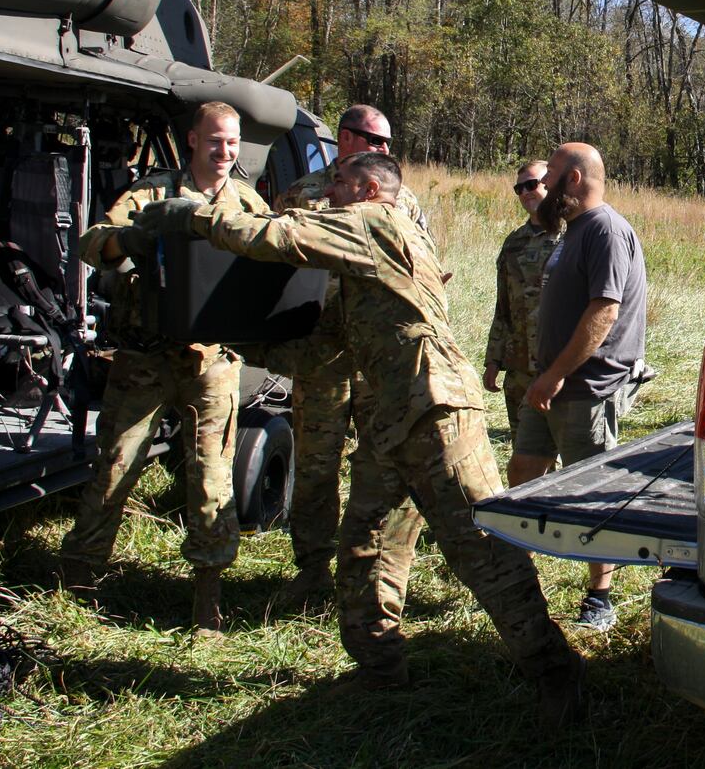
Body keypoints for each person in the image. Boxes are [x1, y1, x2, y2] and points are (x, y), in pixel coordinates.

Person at [128, 152, 583, 723]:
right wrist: (231, 340)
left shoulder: (378, 223)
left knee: (481, 548)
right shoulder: (362, 262)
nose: (327, 192)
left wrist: (192, 218)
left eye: (338, 183)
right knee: (366, 547)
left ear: (368, 190)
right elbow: (326, 349)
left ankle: (554, 672)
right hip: (392, 419)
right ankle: (379, 668)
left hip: (436, 410)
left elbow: (277, 235)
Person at [58, 101, 268, 637]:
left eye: (233, 143)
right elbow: (88, 244)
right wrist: (127, 240)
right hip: (145, 354)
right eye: (216, 141)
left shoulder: (247, 202)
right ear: (194, 141)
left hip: (212, 360)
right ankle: (78, 580)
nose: (225, 152)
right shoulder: (153, 193)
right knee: (115, 464)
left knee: (211, 480)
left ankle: (208, 600)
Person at [265, 103, 430, 607]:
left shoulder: (402, 198)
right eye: (374, 140)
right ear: (345, 138)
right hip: (321, 354)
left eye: (386, 142)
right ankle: (312, 568)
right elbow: (272, 260)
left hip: (377, 357)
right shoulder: (302, 194)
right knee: (316, 465)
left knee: (383, 461)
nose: (384, 150)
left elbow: (420, 260)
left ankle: (369, 571)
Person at [521, 143, 647, 633]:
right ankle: (519, 572)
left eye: (550, 175)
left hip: (585, 387)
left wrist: (556, 374)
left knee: (592, 493)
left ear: (574, 179)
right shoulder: (573, 232)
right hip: (550, 380)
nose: (543, 186)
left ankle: (601, 596)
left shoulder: (605, 231)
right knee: (525, 467)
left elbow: (605, 311)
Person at [481, 160, 562, 487]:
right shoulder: (513, 243)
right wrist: (493, 361)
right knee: (525, 454)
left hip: (557, 367)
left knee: (563, 456)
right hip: (519, 369)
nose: (526, 192)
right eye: (520, 188)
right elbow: (503, 308)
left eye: (533, 184)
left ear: (551, 184)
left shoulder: (572, 235)